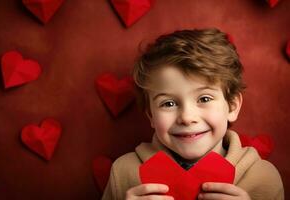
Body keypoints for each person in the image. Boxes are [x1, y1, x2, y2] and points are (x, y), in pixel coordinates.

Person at [101, 28, 284, 200]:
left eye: (204, 99)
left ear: (232, 106)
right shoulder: (123, 172)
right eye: (169, 103)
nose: (187, 118)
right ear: (151, 116)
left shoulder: (263, 178)